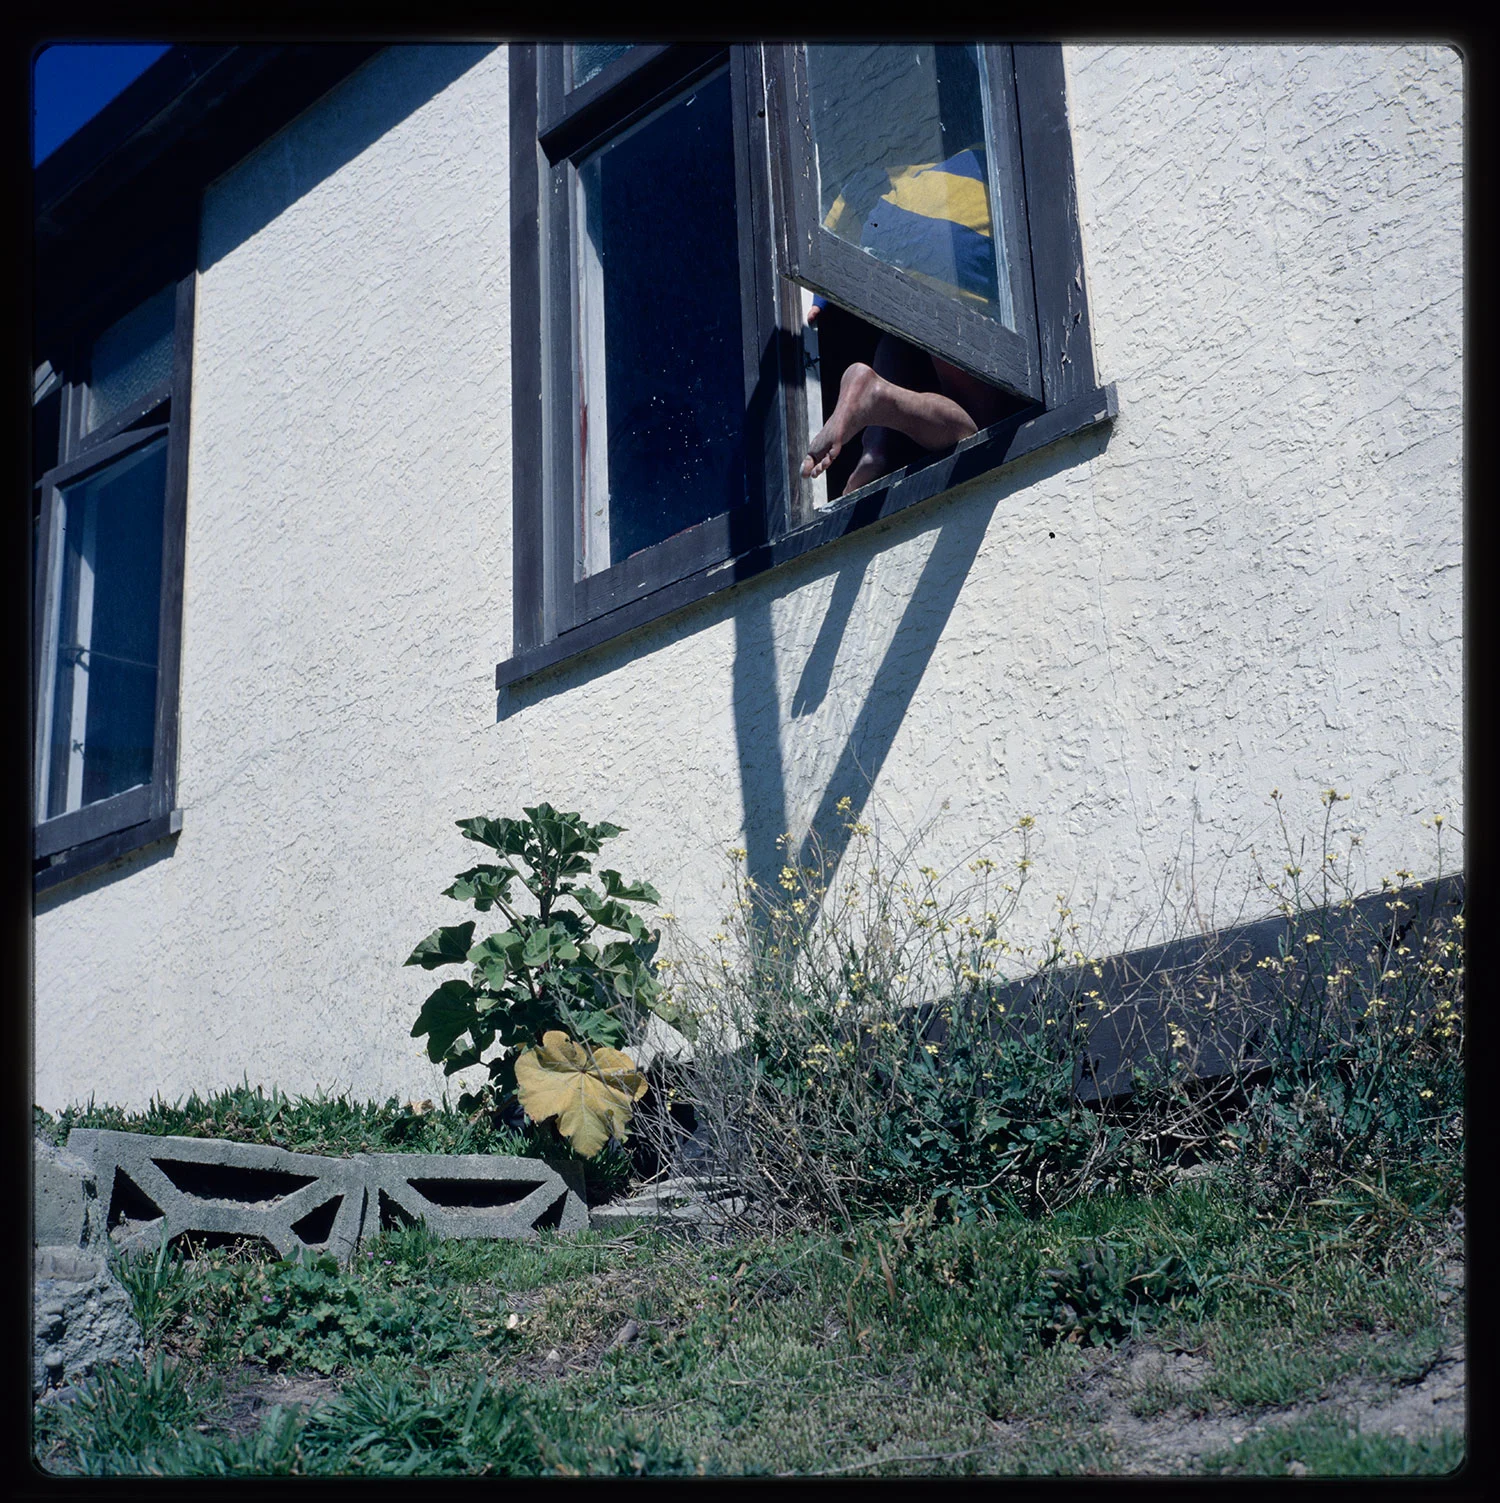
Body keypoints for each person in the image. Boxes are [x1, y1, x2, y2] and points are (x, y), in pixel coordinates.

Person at [801, 145, 1010, 496]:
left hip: (901, 232)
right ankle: (880, 399)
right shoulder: (996, 146)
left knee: (900, 334)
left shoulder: (924, 174)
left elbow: (850, 198)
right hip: (962, 254)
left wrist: (820, 293)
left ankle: (876, 447)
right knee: (979, 425)